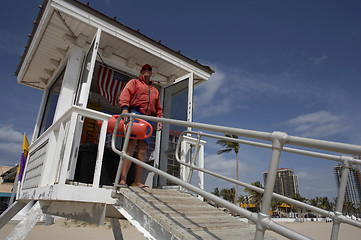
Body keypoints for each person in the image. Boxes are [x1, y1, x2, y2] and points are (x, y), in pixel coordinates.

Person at [118, 64, 163, 188]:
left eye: (149, 70)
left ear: (151, 73)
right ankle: (123, 179)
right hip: (135, 113)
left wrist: (159, 118)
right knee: (131, 145)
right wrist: (125, 109)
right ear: (141, 71)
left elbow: (158, 107)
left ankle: (138, 182)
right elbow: (125, 94)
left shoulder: (155, 90)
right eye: (145, 69)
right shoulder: (134, 82)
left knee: (143, 149)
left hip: (148, 118)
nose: (147, 71)